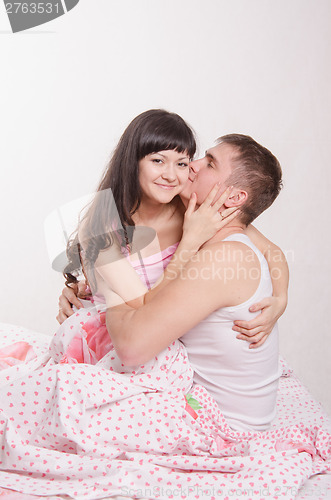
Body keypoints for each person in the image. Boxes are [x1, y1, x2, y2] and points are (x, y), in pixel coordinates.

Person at [57, 110, 288, 357]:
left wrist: (281, 300)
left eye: (181, 163)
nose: (170, 175)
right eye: (157, 161)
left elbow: (270, 250)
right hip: (116, 340)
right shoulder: (103, 231)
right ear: (132, 161)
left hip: (166, 338)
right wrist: (189, 243)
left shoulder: (188, 206)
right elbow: (144, 308)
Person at [104, 133, 284, 431]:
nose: (194, 164)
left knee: (69, 393)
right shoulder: (219, 239)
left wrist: (108, 274)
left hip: (220, 425)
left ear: (235, 197)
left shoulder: (225, 257)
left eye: (210, 163)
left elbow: (131, 348)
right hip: (204, 402)